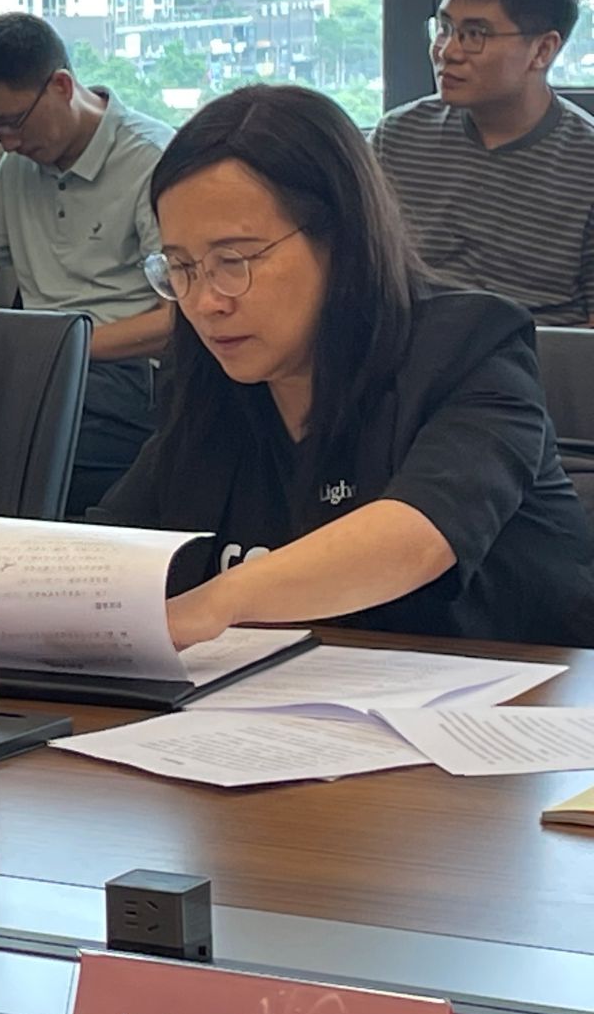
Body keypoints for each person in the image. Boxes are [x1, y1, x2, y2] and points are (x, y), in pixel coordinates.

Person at [95, 84, 594, 649]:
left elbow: (417, 536)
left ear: (341, 240)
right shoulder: (213, 383)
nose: (207, 301)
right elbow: (112, 548)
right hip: (284, 698)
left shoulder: (471, 349)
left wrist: (215, 603)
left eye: (233, 260)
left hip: (521, 691)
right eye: (181, 267)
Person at [0, 13, 176, 513]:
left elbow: (179, 320)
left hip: (125, 375)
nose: (8, 143)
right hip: (35, 363)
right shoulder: (18, 168)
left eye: (13, 122)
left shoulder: (154, 161)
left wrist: (62, 347)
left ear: (61, 86)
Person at [371, 0, 594, 326]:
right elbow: (365, 265)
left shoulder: (584, 162)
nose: (448, 52)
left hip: (536, 353)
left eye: (474, 35)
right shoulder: (398, 137)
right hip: (415, 344)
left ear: (542, 50)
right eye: (444, 29)